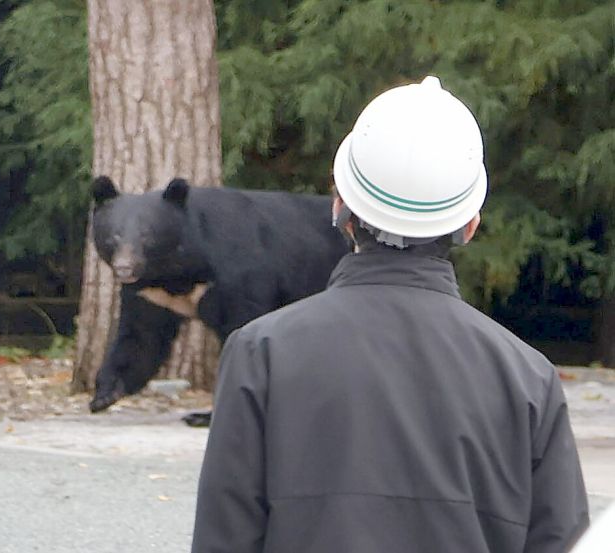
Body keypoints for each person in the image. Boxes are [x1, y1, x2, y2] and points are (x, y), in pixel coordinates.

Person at [192, 76, 589, 552]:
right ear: (469, 223)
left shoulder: (262, 354)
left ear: (341, 205)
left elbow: (224, 541)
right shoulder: (529, 379)